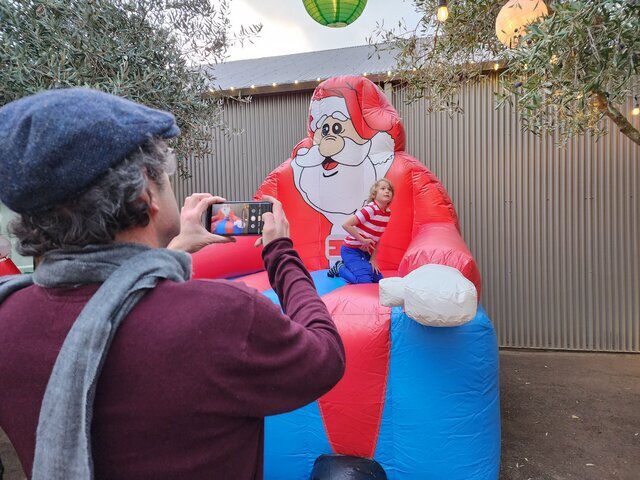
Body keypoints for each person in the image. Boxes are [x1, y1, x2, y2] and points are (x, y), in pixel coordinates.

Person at [0, 88, 345, 480]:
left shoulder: (8, 319)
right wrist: (281, 252)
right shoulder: (222, 316)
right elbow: (325, 357)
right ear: (147, 194)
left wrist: (175, 246)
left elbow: (115, 291)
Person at [327, 178, 394, 284]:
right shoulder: (370, 209)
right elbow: (346, 225)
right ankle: (339, 267)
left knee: (379, 281)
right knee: (364, 281)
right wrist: (362, 240)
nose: (387, 191)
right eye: (383, 188)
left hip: (365, 253)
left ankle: (360, 266)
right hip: (351, 251)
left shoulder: (387, 214)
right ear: (374, 194)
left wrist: (373, 259)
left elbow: (378, 239)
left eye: (389, 189)